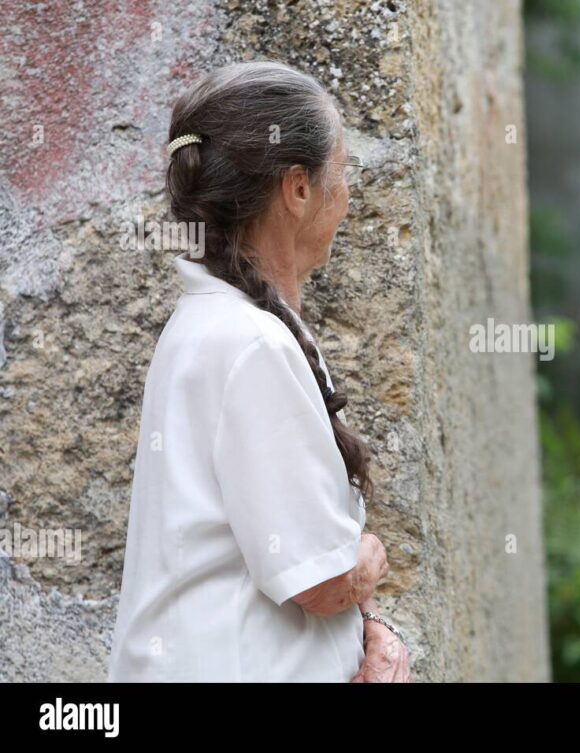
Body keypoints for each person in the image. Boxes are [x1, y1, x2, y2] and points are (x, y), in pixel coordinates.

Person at [107, 60, 410, 682]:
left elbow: (296, 533)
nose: (346, 196)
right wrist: (372, 559)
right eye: (342, 173)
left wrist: (374, 626)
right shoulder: (248, 343)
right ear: (297, 188)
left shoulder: (233, 327)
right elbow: (323, 583)